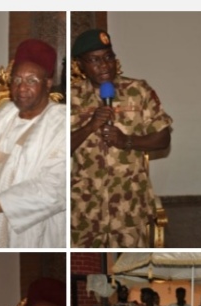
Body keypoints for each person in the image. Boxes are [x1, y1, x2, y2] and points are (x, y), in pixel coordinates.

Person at [70, 29, 172, 248]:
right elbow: (56, 151)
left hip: (130, 202)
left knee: (132, 266)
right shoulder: (71, 98)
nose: (104, 65)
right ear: (79, 65)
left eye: (108, 57)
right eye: (95, 60)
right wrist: (90, 126)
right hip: (84, 206)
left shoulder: (139, 91)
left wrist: (127, 141)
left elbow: (163, 139)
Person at [0, 39, 66, 248]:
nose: (22, 88)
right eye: (16, 80)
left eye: (31, 80)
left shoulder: (60, 124)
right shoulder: (2, 117)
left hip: (32, 227)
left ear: (48, 83)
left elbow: (54, 189)